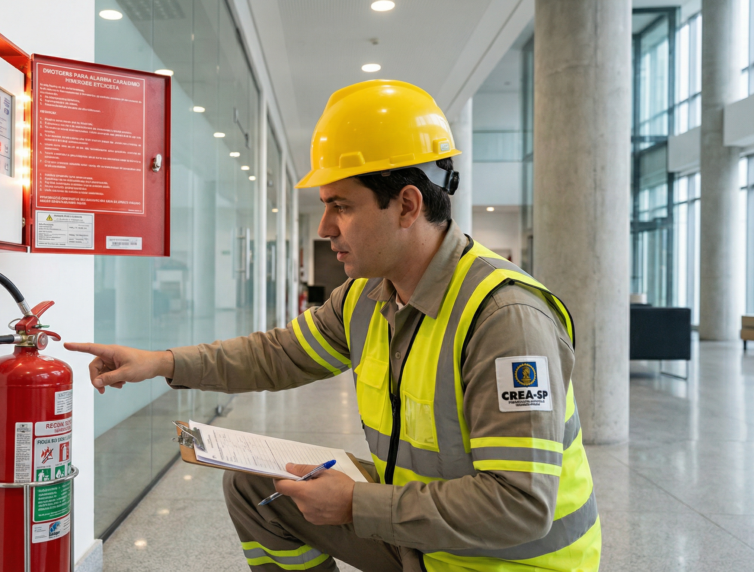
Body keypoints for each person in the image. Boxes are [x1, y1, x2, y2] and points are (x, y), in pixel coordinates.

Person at [65, 80, 600, 572]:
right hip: (423, 535)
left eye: (340, 206)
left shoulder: (504, 319)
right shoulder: (366, 296)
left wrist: (356, 503)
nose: (324, 228)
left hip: (504, 562)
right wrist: (162, 363)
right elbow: (277, 354)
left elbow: (519, 505)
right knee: (256, 489)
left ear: (407, 205)